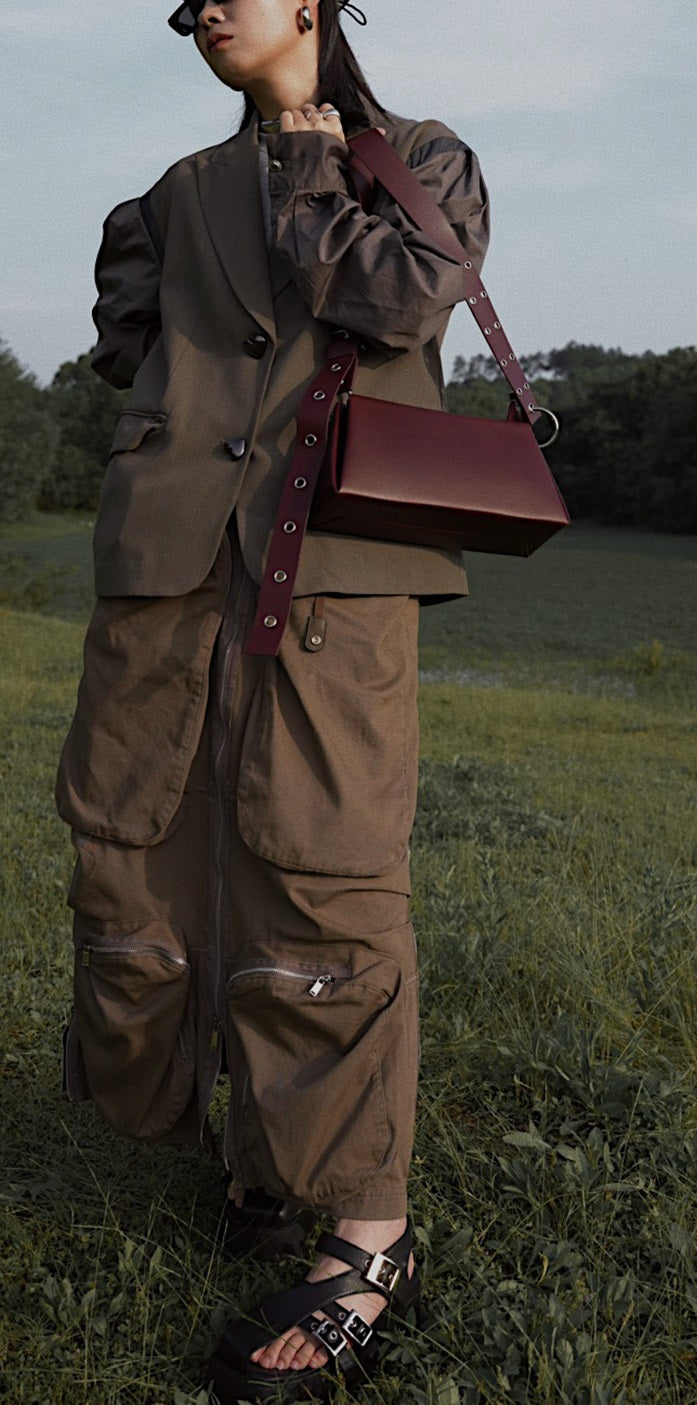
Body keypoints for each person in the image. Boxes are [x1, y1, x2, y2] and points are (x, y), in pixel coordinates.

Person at [55, 1, 489, 1399]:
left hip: (333, 576)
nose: (201, 13)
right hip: (169, 577)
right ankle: (258, 1156)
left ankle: (368, 1235)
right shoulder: (174, 193)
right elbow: (134, 344)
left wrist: (311, 172)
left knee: (324, 867)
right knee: (148, 853)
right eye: (185, 5)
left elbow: (404, 302)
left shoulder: (419, 156)